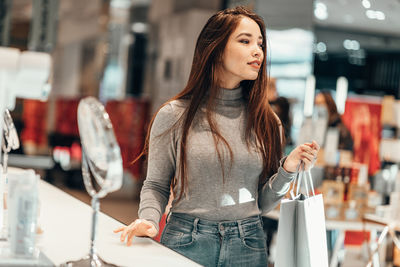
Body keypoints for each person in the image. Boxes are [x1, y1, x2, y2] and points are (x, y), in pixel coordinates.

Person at [114, 6, 319, 267]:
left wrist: (288, 170)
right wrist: (149, 218)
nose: (258, 51)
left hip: (248, 243)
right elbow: (156, 184)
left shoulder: (268, 122)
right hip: (186, 240)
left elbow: (261, 203)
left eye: (260, 44)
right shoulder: (175, 115)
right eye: (245, 41)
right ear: (216, 49)